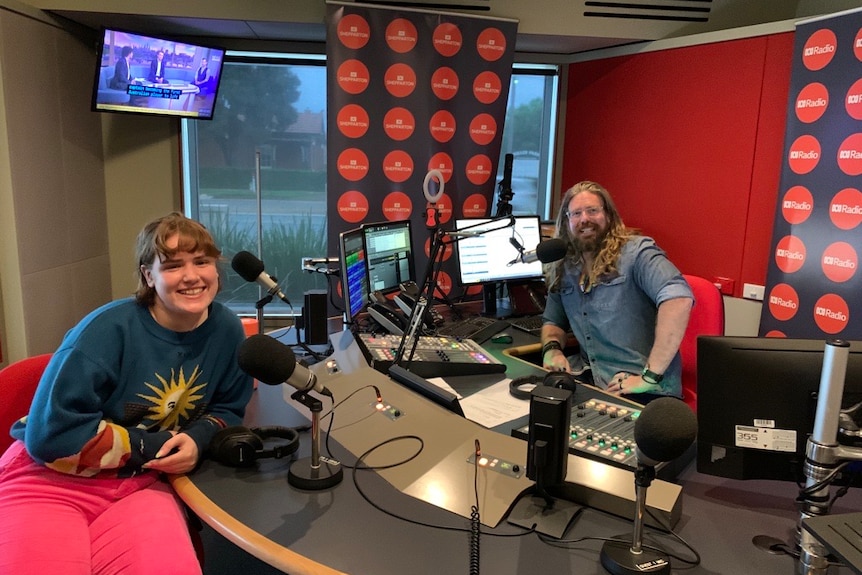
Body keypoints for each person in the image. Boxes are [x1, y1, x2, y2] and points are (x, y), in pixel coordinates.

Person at [0, 212, 254, 575]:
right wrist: (162, 444)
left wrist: (198, 439)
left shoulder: (227, 329)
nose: (192, 276)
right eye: (172, 266)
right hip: (50, 479)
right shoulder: (105, 330)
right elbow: (52, 436)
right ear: (149, 276)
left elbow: (228, 409)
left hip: (139, 484)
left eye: (202, 262)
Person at [541, 181, 693, 403]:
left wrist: (648, 377)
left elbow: (678, 299)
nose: (584, 219)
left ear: (609, 216)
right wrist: (552, 348)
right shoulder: (566, 266)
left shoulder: (637, 253)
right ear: (566, 221)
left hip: (644, 390)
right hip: (593, 381)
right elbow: (553, 321)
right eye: (576, 213)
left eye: (592, 210)